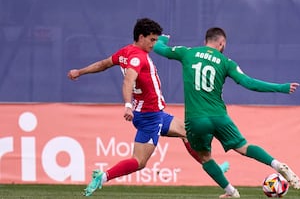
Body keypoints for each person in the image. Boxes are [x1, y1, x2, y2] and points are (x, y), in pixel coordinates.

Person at [67, 18, 229, 197]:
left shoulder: (125, 52)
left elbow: (104, 64)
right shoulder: (138, 57)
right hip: (149, 116)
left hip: (154, 113)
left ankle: (213, 169)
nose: (154, 44)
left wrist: (79, 72)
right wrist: (127, 105)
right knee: (139, 161)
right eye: (152, 40)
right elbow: (129, 79)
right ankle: (103, 177)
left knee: (186, 131)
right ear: (141, 37)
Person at [153, 27, 300, 198]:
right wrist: (281, 88)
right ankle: (276, 164)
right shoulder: (226, 62)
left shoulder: (187, 53)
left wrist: (163, 39)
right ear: (221, 43)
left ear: (205, 41)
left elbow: (158, 48)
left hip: (196, 118)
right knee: (243, 147)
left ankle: (231, 191)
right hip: (219, 116)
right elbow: (249, 83)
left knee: (204, 157)